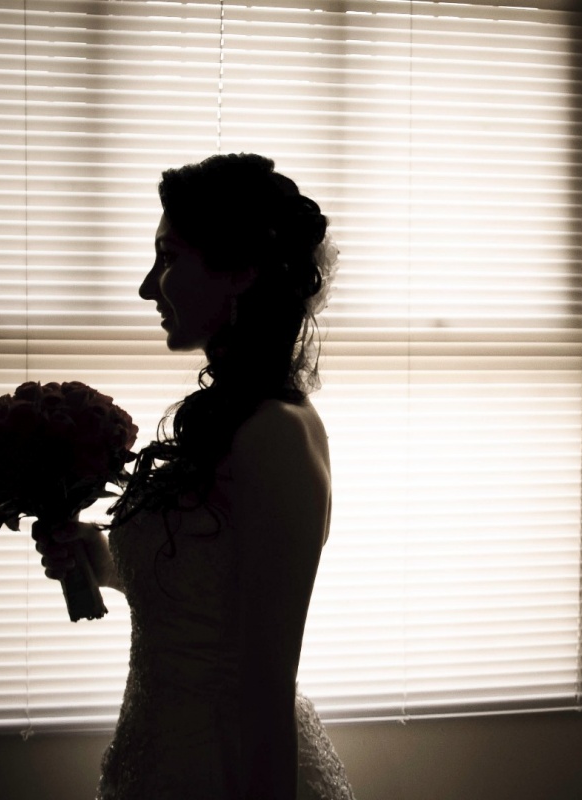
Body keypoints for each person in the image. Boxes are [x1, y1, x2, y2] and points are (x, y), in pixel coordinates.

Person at [32, 153, 353, 800]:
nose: (147, 288)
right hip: (151, 757)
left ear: (241, 270)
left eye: (168, 258)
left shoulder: (276, 435)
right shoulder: (226, 420)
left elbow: (263, 683)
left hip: (220, 770)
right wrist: (98, 558)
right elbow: (203, 593)